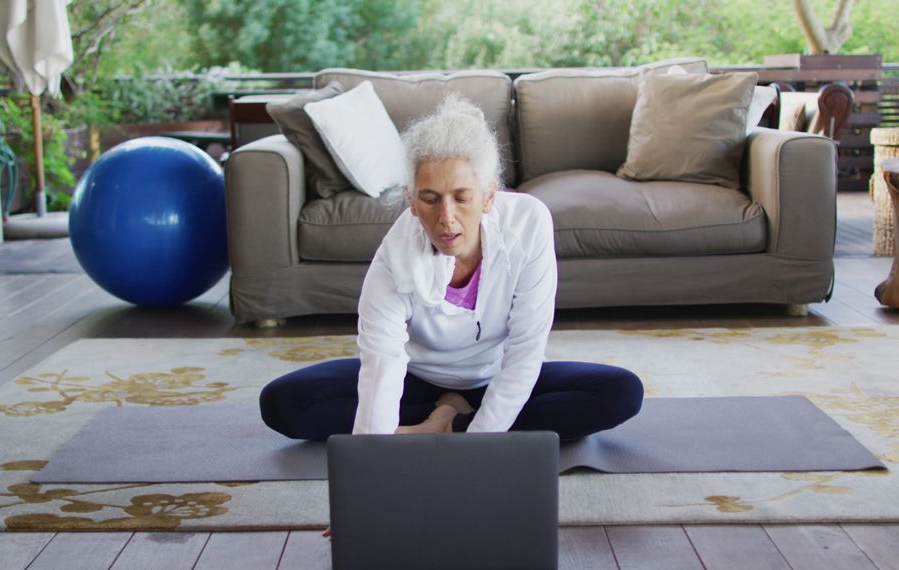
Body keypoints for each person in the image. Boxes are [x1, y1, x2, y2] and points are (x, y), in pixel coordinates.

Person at [259, 95, 643, 441]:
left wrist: (472, 440)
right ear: (411, 200)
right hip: (417, 378)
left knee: (619, 393)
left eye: (462, 198)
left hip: (496, 375)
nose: (446, 218)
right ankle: (441, 409)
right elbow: (383, 363)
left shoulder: (528, 222)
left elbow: (526, 351)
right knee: (284, 403)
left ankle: (445, 422)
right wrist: (370, 464)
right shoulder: (394, 257)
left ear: (489, 197)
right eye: (430, 199)